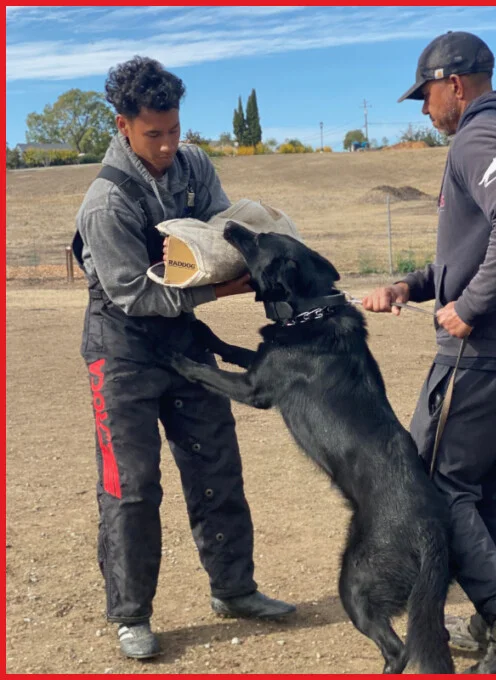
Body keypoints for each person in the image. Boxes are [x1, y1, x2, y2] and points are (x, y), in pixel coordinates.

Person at [73, 56, 294, 660]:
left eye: (174, 129)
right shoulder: (105, 202)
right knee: (133, 486)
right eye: (154, 134)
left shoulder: (194, 163)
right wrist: (221, 289)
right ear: (122, 125)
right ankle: (131, 615)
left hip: (184, 337)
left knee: (216, 463)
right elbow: (133, 293)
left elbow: (220, 229)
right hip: (119, 348)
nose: (169, 145)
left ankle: (235, 589)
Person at [362, 32, 496, 674]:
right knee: (495, 495)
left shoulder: (478, 137)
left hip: (489, 356)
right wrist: (409, 286)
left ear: (454, 84)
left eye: (426, 95)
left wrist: (470, 308)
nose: (424, 110)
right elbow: (474, 249)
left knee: (433, 486)